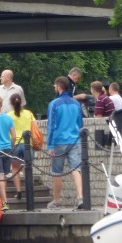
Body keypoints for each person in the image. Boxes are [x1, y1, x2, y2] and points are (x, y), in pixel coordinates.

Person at [46, 76, 84, 210]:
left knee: (57, 172)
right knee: (76, 169)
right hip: (75, 140)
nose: (54, 88)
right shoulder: (76, 103)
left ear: (60, 87)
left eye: (55, 86)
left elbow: (51, 126)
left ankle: (57, 201)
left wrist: (49, 145)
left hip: (58, 142)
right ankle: (80, 197)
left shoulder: (54, 104)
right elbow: (80, 124)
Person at [7, 93, 36, 201]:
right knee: (27, 168)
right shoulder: (29, 113)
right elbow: (35, 126)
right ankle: (30, 191)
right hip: (28, 144)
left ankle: (19, 192)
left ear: (10, 103)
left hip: (15, 144)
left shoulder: (9, 115)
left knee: (15, 168)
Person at [0, 97, 16, 212]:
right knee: (4, 176)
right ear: (1, 105)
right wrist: (11, 146)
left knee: (0, 176)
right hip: (7, 148)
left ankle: (4, 202)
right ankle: (3, 199)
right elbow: (14, 136)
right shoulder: (9, 118)